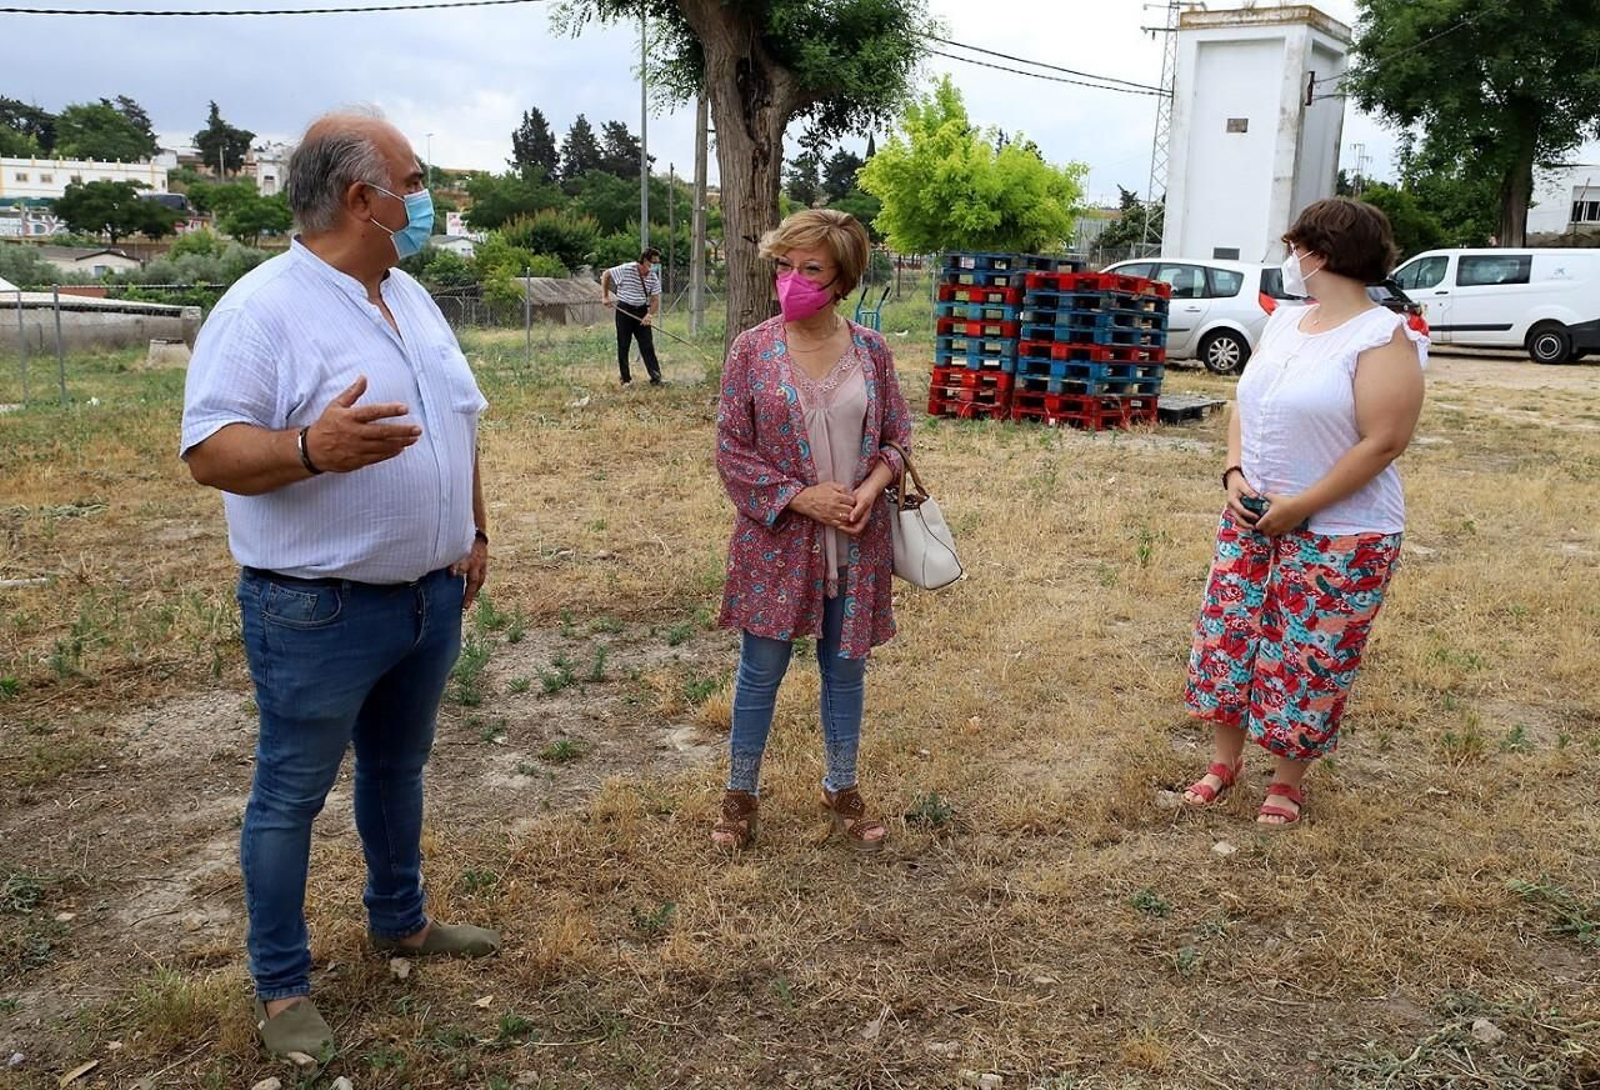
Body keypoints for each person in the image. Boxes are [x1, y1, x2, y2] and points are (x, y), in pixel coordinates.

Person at [180, 109, 501, 1060]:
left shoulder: (410, 297)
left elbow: (462, 418)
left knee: (399, 773)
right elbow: (209, 451)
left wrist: (474, 529)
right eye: (415, 179)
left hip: (427, 597)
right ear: (363, 198)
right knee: (290, 796)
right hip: (316, 609)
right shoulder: (262, 308)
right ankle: (282, 990)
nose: (427, 196)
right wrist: (310, 448)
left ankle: (399, 920)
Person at [1182, 197, 1427, 827]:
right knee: (1230, 640)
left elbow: (1384, 440)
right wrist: (1235, 472)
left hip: (1341, 532)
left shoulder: (1382, 335)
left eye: (1294, 248)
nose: (1289, 259)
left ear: (1317, 254)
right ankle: (1223, 762)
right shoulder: (1288, 323)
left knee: (1306, 655)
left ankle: (1286, 782)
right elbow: (1246, 404)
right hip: (1252, 516)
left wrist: (1302, 508)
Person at [712, 209, 912, 852]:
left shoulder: (872, 352)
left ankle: (841, 786)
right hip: (777, 545)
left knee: (846, 670)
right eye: (783, 266)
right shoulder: (753, 348)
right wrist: (801, 499)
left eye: (810, 268)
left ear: (842, 277)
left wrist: (870, 489)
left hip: (859, 539)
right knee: (760, 669)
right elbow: (732, 451)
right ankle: (740, 796)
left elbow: (897, 439)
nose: (792, 279)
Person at [601, 247, 663, 385]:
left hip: (641, 311)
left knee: (647, 345)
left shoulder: (653, 277)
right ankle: (626, 379)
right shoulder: (627, 268)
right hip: (624, 310)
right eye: (653, 262)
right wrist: (605, 296)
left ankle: (656, 378)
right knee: (623, 345)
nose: (655, 266)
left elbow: (655, 300)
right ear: (645, 260)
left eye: (658, 263)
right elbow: (606, 274)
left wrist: (649, 315)